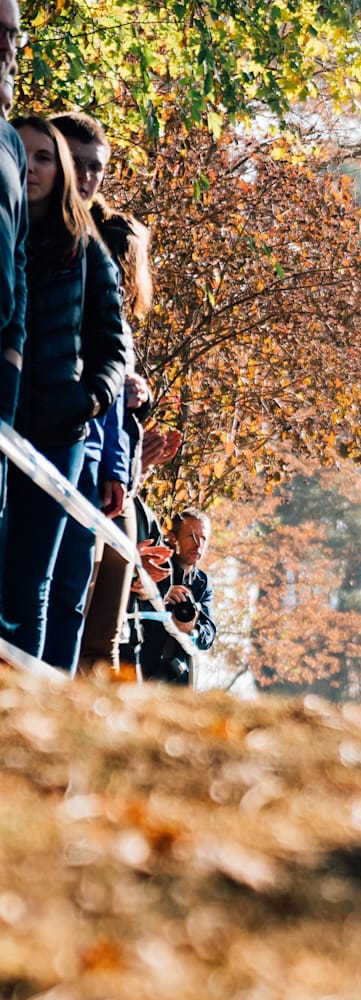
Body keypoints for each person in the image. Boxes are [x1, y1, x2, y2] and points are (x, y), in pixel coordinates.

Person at [2, 116, 127, 661]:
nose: (32, 167)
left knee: (30, 582)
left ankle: (20, 696)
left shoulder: (87, 249)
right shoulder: (5, 233)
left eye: (45, 158)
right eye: (23, 154)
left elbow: (112, 348)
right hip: (4, 419)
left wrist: (87, 400)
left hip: (57, 436)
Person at [44, 110, 152, 675]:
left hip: (85, 448)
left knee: (66, 593)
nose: (86, 177)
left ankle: (49, 707)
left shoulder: (96, 260)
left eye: (97, 168)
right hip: (34, 431)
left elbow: (110, 361)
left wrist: (115, 465)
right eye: (76, 163)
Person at [137, 508, 217, 685]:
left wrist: (192, 627)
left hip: (175, 674)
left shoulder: (202, 583)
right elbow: (130, 606)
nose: (198, 544)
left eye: (203, 538)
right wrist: (160, 596)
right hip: (138, 661)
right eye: (191, 537)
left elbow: (209, 636)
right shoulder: (154, 564)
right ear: (173, 538)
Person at [0, 2, 27, 498]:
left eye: (14, 36)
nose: (7, 48)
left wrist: (13, 356)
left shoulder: (10, 142)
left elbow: (18, 259)